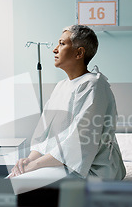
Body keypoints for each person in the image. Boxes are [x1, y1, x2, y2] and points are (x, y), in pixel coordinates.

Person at [9, 25, 125, 180]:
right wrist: (29, 160)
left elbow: (79, 144)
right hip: (61, 163)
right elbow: (43, 134)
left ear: (79, 53)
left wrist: (35, 165)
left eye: (62, 44)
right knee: (13, 179)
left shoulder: (93, 85)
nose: (55, 49)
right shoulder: (61, 86)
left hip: (91, 169)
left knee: (20, 185)